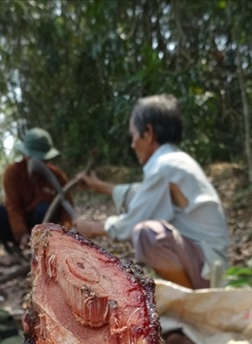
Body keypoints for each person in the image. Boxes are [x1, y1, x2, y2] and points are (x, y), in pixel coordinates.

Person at [74, 94, 228, 289]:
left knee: (146, 234)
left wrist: (95, 228)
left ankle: (190, 298)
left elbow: (134, 220)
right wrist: (98, 185)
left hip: (208, 268)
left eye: (133, 136)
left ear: (148, 132)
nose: (132, 144)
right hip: (208, 260)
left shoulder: (165, 166)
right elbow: (140, 195)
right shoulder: (174, 161)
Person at [0, 128, 73, 253]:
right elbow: (13, 207)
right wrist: (22, 234)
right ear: (26, 155)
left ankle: (47, 249)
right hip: (20, 224)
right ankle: (13, 250)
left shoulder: (57, 177)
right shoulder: (12, 173)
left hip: (44, 224)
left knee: (43, 209)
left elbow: (66, 209)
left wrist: (67, 232)